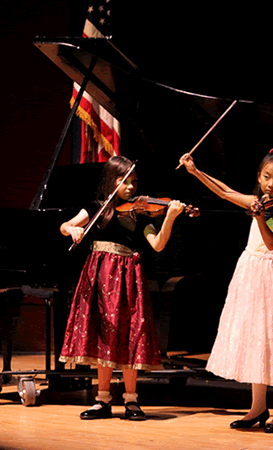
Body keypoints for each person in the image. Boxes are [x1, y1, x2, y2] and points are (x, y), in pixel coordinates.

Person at [179, 148, 273, 434]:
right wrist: (195, 171)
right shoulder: (260, 201)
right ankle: (258, 407)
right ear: (259, 176)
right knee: (256, 339)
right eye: (266, 177)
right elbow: (224, 191)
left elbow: (272, 242)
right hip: (251, 271)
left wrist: (259, 215)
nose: (270, 184)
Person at [59, 155, 184, 421]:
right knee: (103, 334)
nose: (131, 187)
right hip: (100, 276)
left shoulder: (139, 213)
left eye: (135, 181)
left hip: (128, 278)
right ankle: (102, 399)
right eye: (125, 181)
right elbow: (65, 225)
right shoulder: (96, 207)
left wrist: (170, 217)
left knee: (130, 334)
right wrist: (72, 230)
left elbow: (158, 244)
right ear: (110, 181)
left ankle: (131, 399)